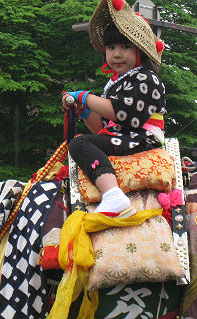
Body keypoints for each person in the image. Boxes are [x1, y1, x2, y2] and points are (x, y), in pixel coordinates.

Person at [62, 0, 166, 217]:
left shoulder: (146, 77)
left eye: (125, 47)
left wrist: (85, 96)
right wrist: (84, 109)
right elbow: (103, 127)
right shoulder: (116, 83)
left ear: (141, 50)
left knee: (80, 143)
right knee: (82, 142)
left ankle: (112, 194)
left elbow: (123, 114)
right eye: (111, 48)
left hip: (140, 139)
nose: (116, 54)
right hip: (124, 137)